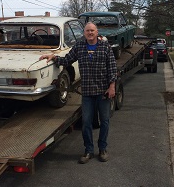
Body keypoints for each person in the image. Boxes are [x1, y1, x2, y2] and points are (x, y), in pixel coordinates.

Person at [39, 22, 117, 164]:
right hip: (87, 92)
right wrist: (53, 57)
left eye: (92, 30)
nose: (90, 33)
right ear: (84, 33)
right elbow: (67, 60)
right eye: (87, 31)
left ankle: (102, 149)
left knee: (104, 121)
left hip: (103, 91)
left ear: (97, 32)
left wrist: (112, 86)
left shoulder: (105, 47)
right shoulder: (79, 47)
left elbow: (112, 67)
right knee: (86, 122)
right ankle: (88, 150)